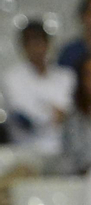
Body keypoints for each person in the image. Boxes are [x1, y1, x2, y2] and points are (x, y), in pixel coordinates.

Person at [3, 20, 74, 158]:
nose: (36, 47)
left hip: (63, 150)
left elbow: (72, 113)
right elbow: (24, 117)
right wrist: (54, 113)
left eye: (40, 41)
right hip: (27, 150)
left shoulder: (66, 76)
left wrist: (44, 108)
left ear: (48, 44)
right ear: (23, 46)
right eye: (31, 42)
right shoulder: (11, 78)